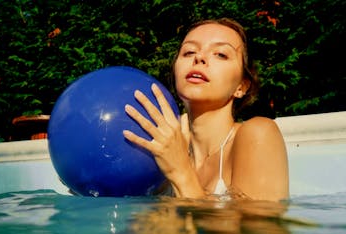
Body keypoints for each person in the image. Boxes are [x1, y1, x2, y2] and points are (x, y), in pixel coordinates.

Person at [123, 18, 289, 202]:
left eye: (220, 54)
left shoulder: (258, 133)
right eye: (189, 51)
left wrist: (180, 173)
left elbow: (258, 230)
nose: (199, 57)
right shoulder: (163, 150)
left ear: (241, 86)